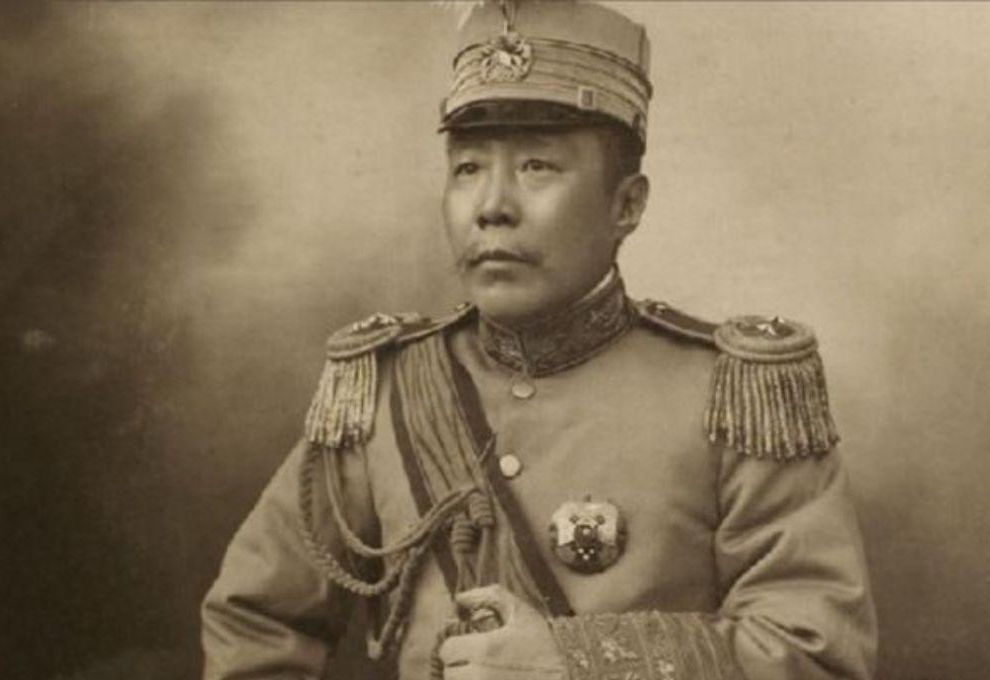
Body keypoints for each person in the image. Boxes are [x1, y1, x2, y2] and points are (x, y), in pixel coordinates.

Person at [201, 2, 877, 679]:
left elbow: (815, 652)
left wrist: (577, 664)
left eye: (536, 167)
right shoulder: (382, 391)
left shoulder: (737, 399)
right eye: (468, 169)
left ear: (627, 204)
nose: (492, 206)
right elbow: (256, 621)